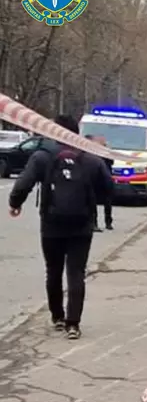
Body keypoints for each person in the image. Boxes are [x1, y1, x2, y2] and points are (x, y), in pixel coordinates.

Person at [8, 115, 112, 340]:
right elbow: (108, 187)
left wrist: (14, 204)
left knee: (53, 270)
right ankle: (73, 324)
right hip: (82, 224)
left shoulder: (43, 156)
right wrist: (92, 202)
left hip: (51, 223)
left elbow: (23, 183)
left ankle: (57, 317)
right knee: (76, 272)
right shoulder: (91, 158)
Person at [88, 135, 114, 232]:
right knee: (93, 201)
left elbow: (112, 161)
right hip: (95, 178)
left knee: (107, 201)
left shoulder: (107, 151)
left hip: (106, 178)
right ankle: (94, 223)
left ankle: (108, 222)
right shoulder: (92, 151)